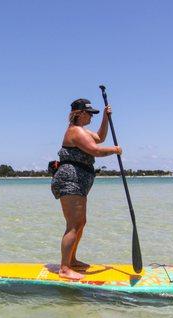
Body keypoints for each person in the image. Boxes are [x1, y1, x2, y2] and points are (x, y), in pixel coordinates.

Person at [51, 98, 122, 280]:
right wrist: (115, 150)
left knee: (80, 223)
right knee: (73, 225)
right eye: (90, 113)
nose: (92, 116)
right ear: (80, 113)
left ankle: (72, 260)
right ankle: (65, 268)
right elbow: (95, 150)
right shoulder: (75, 132)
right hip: (70, 180)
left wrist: (106, 118)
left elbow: (100, 138)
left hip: (79, 182)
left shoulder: (83, 131)